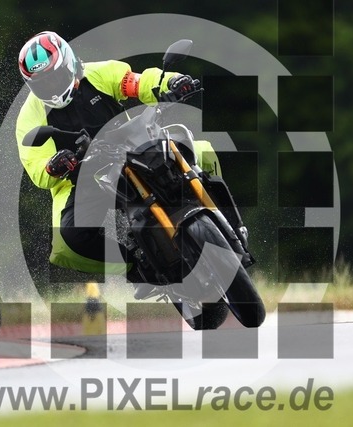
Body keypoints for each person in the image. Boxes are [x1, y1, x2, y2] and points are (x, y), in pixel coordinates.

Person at [15, 31, 218, 297]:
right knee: (70, 240)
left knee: (198, 149)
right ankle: (138, 268)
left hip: (134, 145)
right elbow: (35, 165)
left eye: (55, 77)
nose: (52, 87)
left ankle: (222, 212)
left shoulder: (101, 73)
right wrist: (53, 167)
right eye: (43, 84)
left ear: (69, 64)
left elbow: (140, 82)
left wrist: (172, 81)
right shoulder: (29, 117)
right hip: (82, 177)